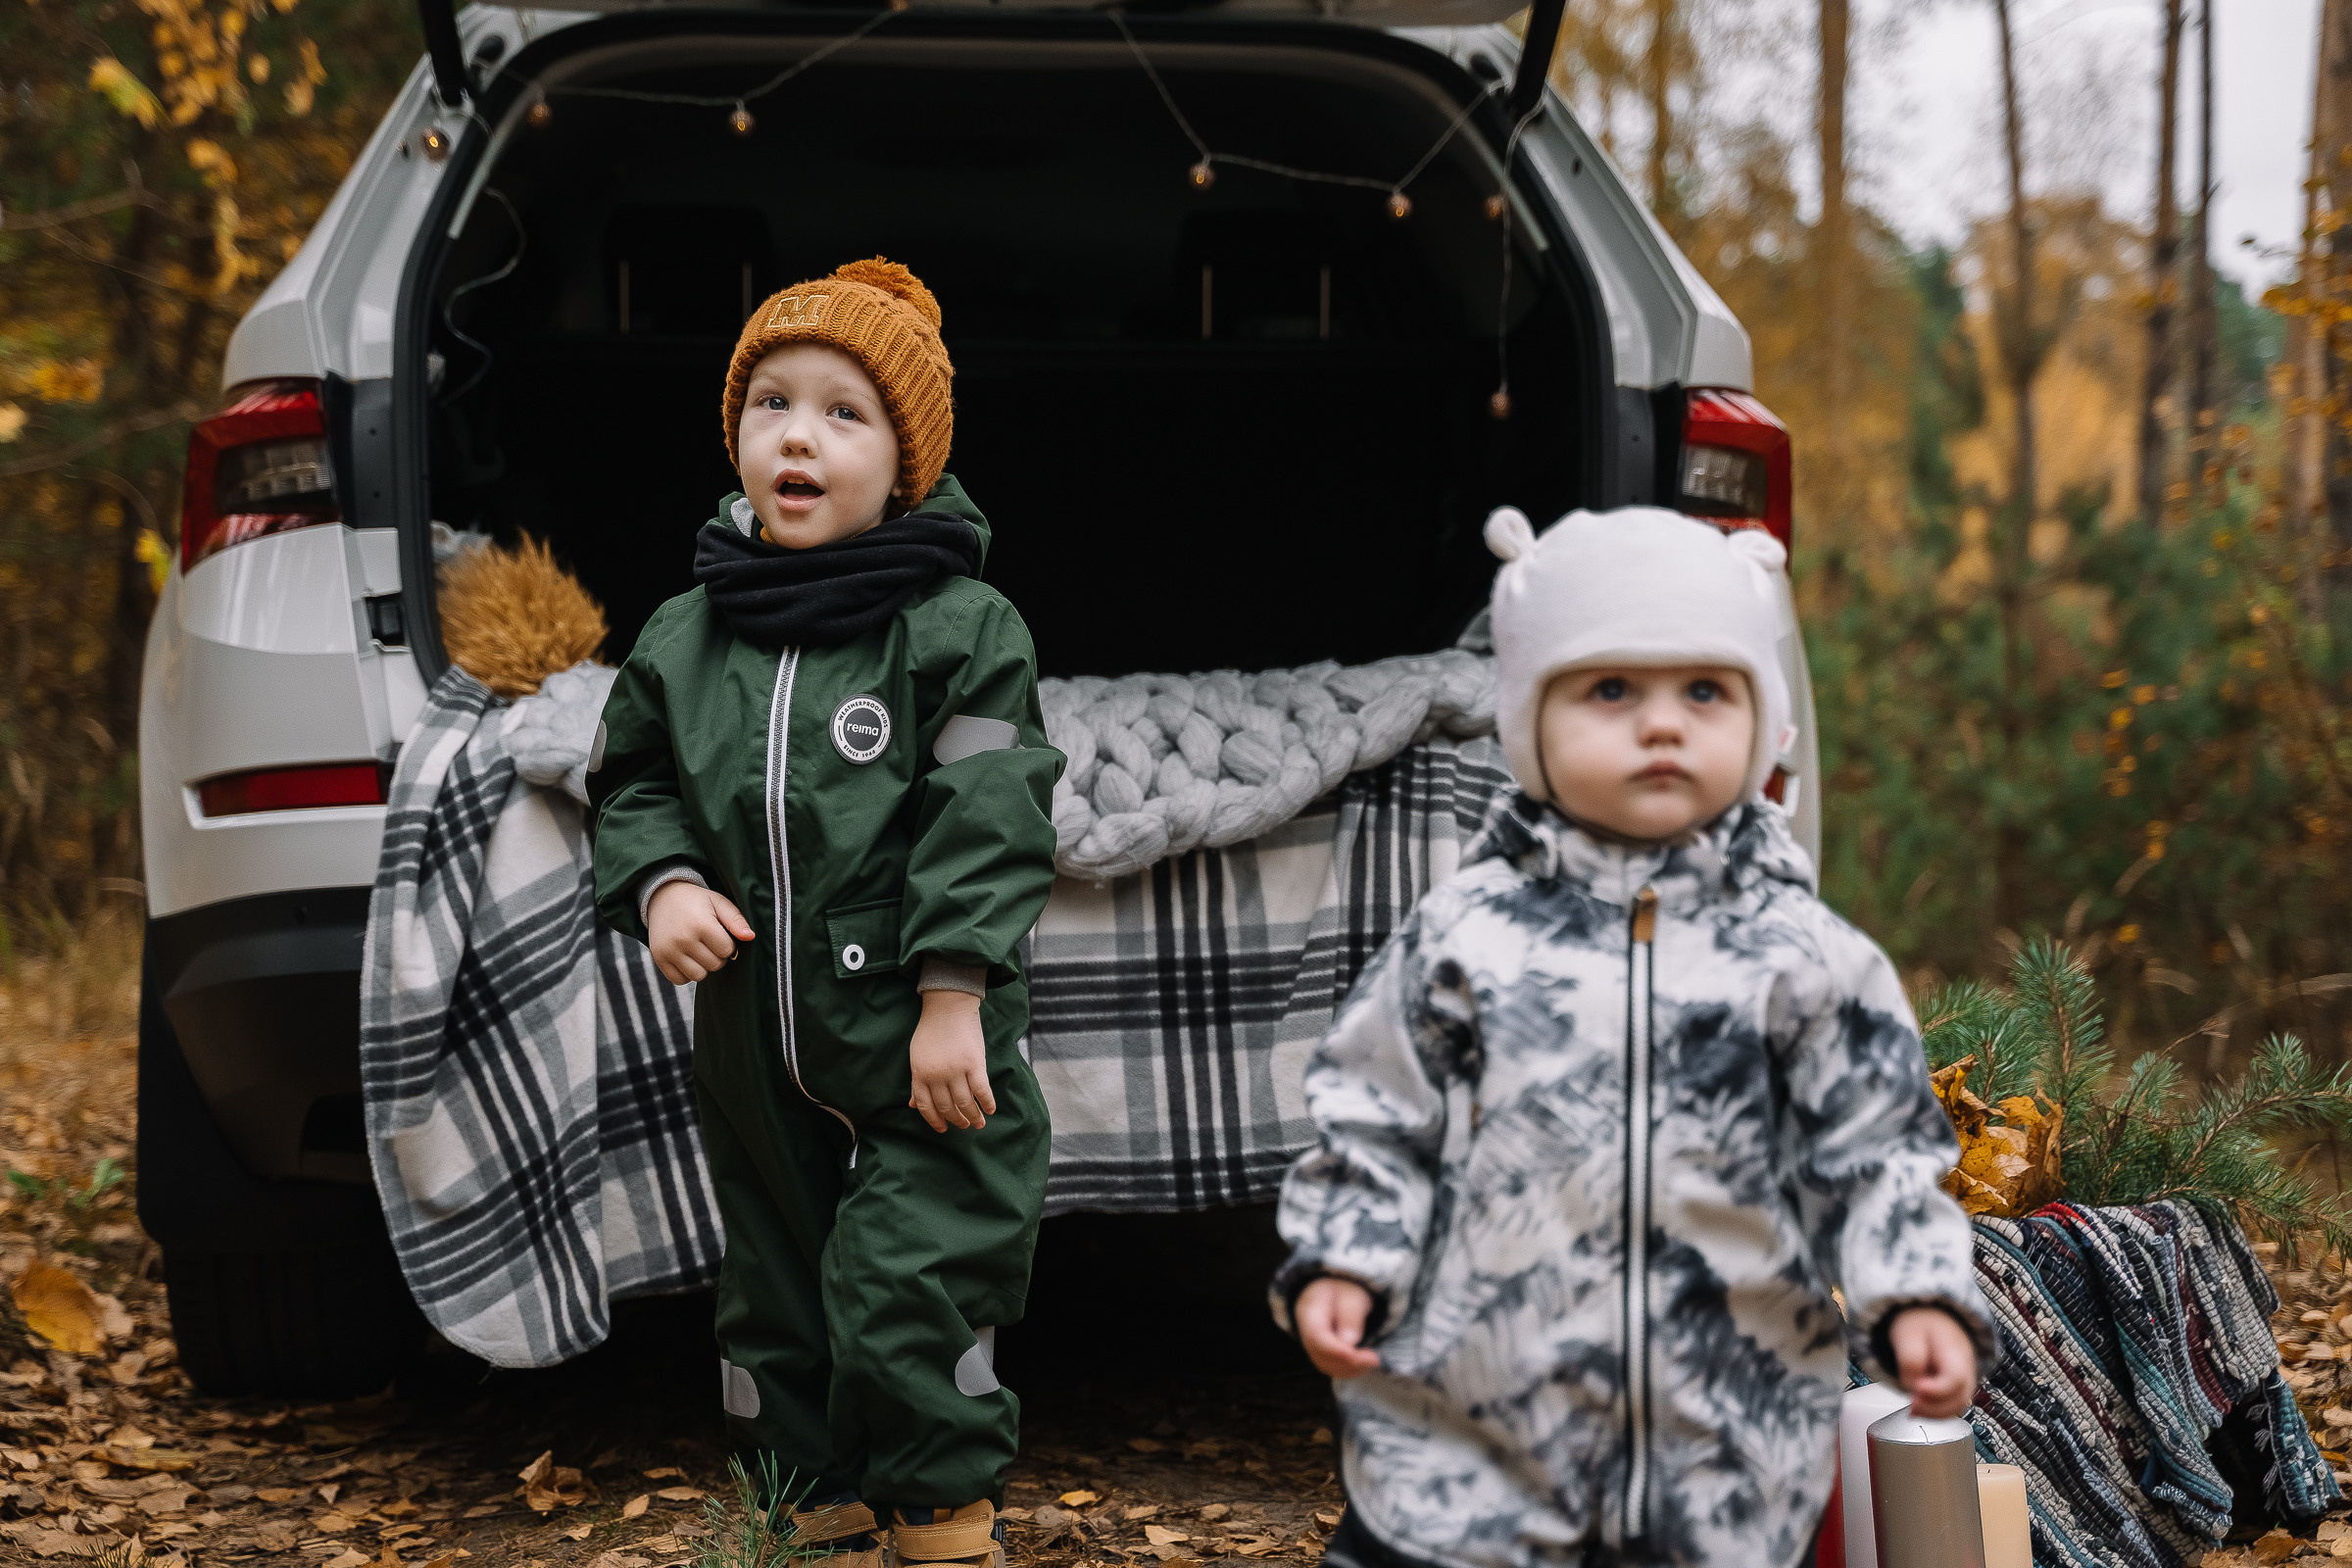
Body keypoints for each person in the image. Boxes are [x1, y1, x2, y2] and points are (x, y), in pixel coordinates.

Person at [1268, 506, 1992, 1568]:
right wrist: (1347, 1257)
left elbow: (1879, 1152)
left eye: (1705, 690)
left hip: (1723, 1450)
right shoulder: (1465, 936)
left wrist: (1915, 1292)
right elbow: (1377, 1115)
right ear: (1531, 722)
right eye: (1612, 689)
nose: (1663, 724)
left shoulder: (1808, 960)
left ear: (1760, 719)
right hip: (1471, 1449)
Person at [591, 258, 1061, 1568]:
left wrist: (955, 991)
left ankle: (942, 1517)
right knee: (776, 1293)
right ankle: (809, 1504)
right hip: (757, 1041)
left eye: (844, 413)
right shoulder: (687, 635)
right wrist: (665, 881)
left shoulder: (960, 628)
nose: (798, 434)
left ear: (906, 462)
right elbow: (634, 782)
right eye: (771, 404)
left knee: (910, 1278)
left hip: (921, 1036)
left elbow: (990, 812)